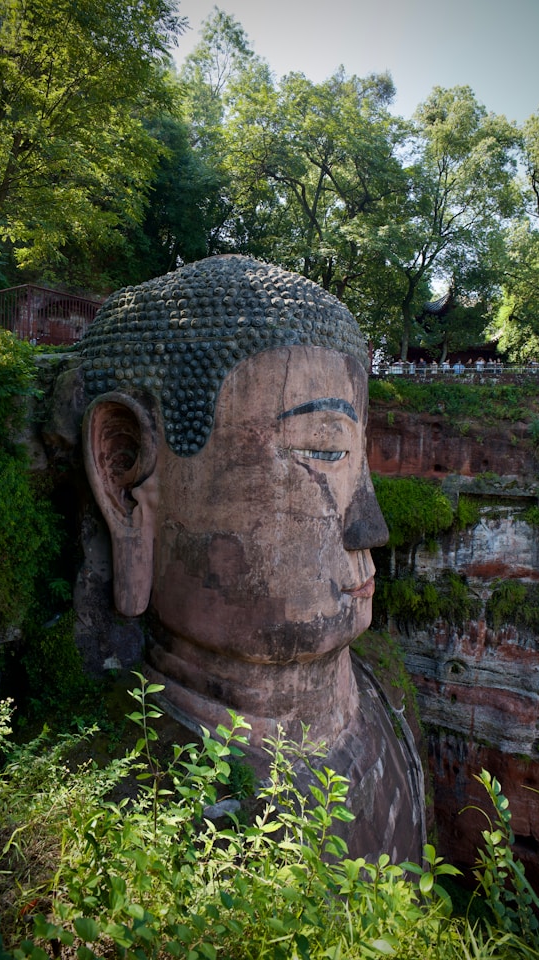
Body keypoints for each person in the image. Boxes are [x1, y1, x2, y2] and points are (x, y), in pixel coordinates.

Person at [77, 254, 424, 862]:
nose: (372, 525)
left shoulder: (384, 695)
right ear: (124, 474)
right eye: (322, 450)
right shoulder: (124, 821)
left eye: (358, 456)